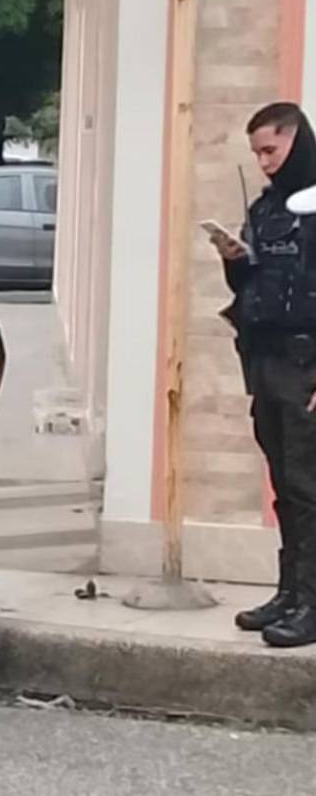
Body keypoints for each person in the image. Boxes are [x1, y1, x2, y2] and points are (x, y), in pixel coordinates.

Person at [212, 102, 316, 647]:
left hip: (307, 364)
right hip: (265, 359)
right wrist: (233, 257)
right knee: (282, 483)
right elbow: (251, 283)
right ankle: (290, 592)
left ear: (296, 140)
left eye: (271, 151)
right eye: (256, 154)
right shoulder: (267, 208)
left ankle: (312, 603)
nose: (265, 163)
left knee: (308, 486)